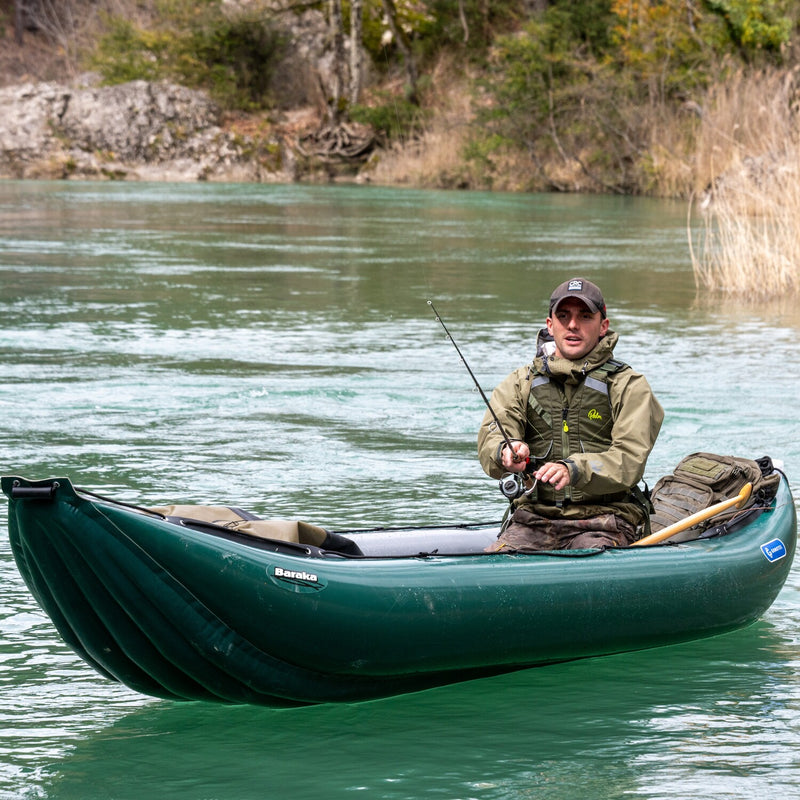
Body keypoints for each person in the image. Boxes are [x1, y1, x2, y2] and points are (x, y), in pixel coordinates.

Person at [477, 277, 664, 551]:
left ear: (603, 326)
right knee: (497, 565)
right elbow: (491, 437)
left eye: (585, 316)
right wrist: (505, 451)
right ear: (550, 325)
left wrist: (574, 469)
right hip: (534, 519)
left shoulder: (628, 385)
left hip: (608, 519)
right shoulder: (521, 382)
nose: (573, 325)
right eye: (563, 316)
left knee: (591, 563)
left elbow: (629, 459)